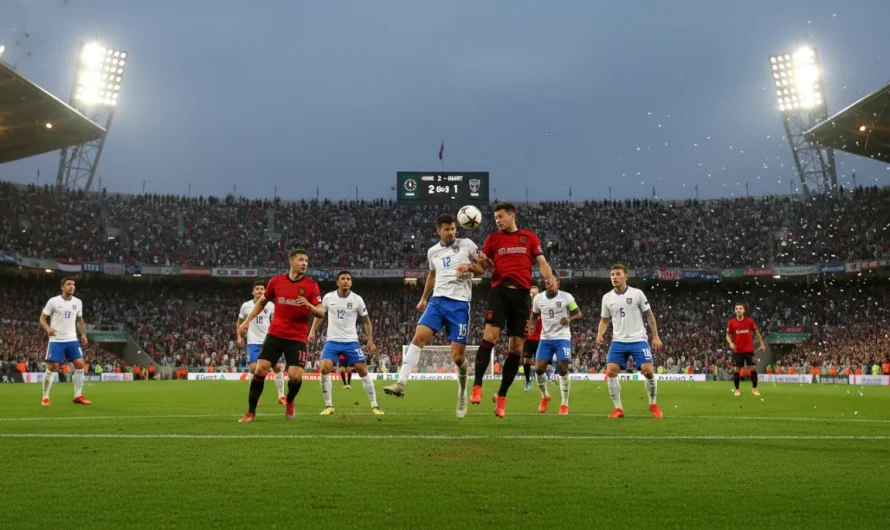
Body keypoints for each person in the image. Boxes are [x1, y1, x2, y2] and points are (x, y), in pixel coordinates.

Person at [383, 213, 483, 419]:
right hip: (437, 302)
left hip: (459, 304)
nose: (451, 232)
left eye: (453, 228)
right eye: (447, 229)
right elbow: (432, 275)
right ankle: (401, 382)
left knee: (457, 357)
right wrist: (423, 298)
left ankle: (462, 393)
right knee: (418, 337)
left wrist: (470, 267)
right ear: (439, 230)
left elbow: (482, 269)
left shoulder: (467, 245)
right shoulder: (433, 252)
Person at [464, 202, 555, 418]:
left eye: (501, 216)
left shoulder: (529, 238)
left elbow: (541, 262)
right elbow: (482, 267)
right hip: (499, 293)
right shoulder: (493, 240)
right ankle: (477, 386)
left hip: (522, 297)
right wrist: (470, 266)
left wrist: (549, 276)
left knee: (516, 349)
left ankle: (502, 396)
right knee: (490, 337)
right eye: (495, 217)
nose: (497, 220)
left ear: (512, 216)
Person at [237, 249, 323, 423]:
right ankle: (251, 412)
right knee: (260, 369)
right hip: (275, 334)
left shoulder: (311, 286)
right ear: (291, 262)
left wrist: (308, 305)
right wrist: (247, 321)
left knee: (295, 376)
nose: (304, 263)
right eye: (301, 260)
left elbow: (321, 312)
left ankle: (289, 401)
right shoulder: (276, 282)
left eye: (306, 260)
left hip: (297, 337)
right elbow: (261, 303)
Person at [309, 270, 383, 415]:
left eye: (348, 279)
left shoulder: (357, 299)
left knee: (361, 368)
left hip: (351, 341)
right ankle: (328, 405)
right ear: (337, 282)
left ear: (351, 282)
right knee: (324, 368)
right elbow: (320, 316)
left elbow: (366, 321)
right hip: (332, 340)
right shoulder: (328, 297)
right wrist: (312, 331)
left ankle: (375, 405)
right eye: (342, 278)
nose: (345, 281)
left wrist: (370, 339)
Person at [597, 264, 663, 419]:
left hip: (638, 339)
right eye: (612, 274)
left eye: (618, 274)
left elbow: (649, 315)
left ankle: (653, 403)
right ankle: (618, 409)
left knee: (648, 371)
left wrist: (655, 335)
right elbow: (604, 320)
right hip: (618, 340)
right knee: (611, 371)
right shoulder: (607, 297)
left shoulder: (637, 294)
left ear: (625, 277)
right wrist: (600, 334)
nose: (614, 277)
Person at [529, 277, 582, 415]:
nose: (549, 284)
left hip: (562, 337)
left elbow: (578, 313)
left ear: (557, 282)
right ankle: (545, 396)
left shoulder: (566, 297)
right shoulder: (538, 299)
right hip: (545, 338)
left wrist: (569, 318)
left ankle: (564, 404)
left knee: (562, 368)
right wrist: (533, 326)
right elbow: (534, 316)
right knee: (539, 368)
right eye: (546, 282)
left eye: (551, 281)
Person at [39, 277, 91, 406]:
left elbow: (80, 319)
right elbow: (42, 319)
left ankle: (78, 395)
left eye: (73, 284)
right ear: (62, 287)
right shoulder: (53, 301)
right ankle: (45, 396)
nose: (71, 287)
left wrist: (83, 334)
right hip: (56, 339)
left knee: (80, 364)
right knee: (53, 366)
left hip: (72, 338)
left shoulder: (78, 302)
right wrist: (47, 328)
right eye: (68, 284)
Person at [236, 280, 285, 405]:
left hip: (268, 340)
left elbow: (275, 321)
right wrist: (239, 336)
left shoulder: (270, 305)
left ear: (265, 291)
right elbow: (239, 321)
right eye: (257, 289)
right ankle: (255, 396)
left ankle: (281, 396)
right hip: (253, 341)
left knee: (277, 367)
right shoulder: (246, 306)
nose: (260, 291)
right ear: (253, 292)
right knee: (253, 369)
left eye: (262, 289)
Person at [726, 302, 766, 396]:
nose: (738, 310)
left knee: (753, 368)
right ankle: (737, 390)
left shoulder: (749, 321)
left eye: (740, 308)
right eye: (736, 308)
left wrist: (762, 344)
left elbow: (757, 333)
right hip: (738, 351)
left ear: (744, 310)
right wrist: (731, 343)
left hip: (749, 350)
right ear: (735, 310)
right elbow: (727, 335)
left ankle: (755, 389)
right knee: (736, 370)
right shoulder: (731, 322)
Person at [522, 285, 543, 392]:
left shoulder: (542, 308)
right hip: (528, 339)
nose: (533, 294)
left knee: (539, 365)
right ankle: (527, 381)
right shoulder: (526, 308)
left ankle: (542, 382)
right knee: (526, 361)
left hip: (539, 339)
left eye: (535, 292)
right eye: (532, 292)